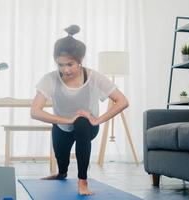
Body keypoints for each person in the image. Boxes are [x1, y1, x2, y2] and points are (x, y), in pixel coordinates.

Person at [30, 24, 129, 195]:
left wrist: (97, 120)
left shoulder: (93, 77)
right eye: (60, 65)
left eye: (70, 64)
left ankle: (82, 181)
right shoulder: (50, 79)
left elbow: (122, 101)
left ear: (80, 60)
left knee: (82, 122)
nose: (65, 70)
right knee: (62, 164)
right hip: (61, 126)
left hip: (88, 127)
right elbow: (35, 111)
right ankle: (61, 172)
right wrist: (67, 120)